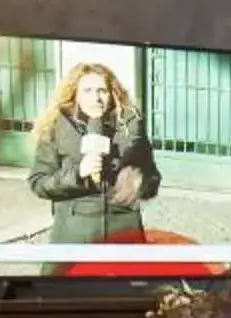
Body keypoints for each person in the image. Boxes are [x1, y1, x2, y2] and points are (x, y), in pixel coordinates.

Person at [26, 61, 161, 250]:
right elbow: (38, 182)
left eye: (102, 91)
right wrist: (78, 173)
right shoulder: (55, 127)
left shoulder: (130, 127)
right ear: (75, 95)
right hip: (74, 233)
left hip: (123, 231)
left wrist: (141, 181)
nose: (95, 98)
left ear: (112, 94)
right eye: (87, 91)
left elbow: (153, 178)